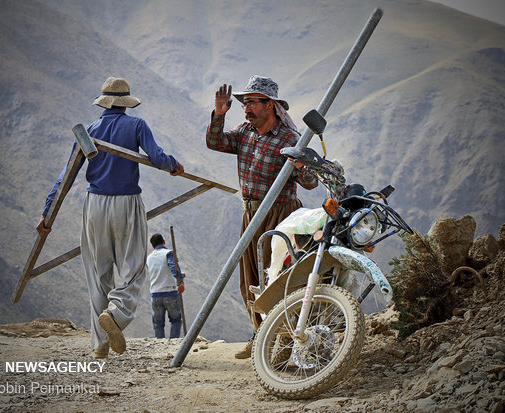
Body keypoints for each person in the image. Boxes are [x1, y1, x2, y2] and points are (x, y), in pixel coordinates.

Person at [36, 77, 184, 359]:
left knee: (98, 274)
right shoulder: (136, 125)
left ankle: (100, 344)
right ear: (126, 103)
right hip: (127, 202)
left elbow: (66, 175)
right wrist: (174, 165)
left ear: (104, 102)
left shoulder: (88, 131)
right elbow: (157, 156)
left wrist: (47, 213)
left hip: (94, 205)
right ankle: (115, 315)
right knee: (134, 269)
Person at [206, 75, 318, 359]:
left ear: (271, 106)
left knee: (278, 279)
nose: (246, 108)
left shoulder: (290, 138)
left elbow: (311, 182)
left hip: (280, 215)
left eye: (252, 102)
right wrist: (219, 114)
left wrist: (300, 166)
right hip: (250, 213)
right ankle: (261, 336)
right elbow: (215, 142)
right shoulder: (245, 132)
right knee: (250, 278)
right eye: (244, 103)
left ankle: (286, 341)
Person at [146, 233, 185, 339]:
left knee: (158, 323)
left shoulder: (149, 258)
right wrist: (181, 282)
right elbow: (174, 269)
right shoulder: (168, 253)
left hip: (155, 294)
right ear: (164, 242)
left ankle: (160, 345)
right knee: (176, 320)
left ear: (153, 246)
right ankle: (173, 344)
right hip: (170, 292)